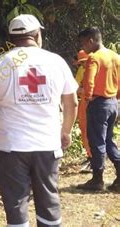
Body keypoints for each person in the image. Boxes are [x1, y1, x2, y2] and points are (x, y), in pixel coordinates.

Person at [0, 14, 78, 226]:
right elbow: (72, 103)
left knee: (16, 201)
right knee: (49, 199)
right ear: (38, 35)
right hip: (47, 144)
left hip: (11, 147)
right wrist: (65, 132)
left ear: (11, 39)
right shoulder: (56, 61)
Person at [76, 27, 120, 192]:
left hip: (98, 104)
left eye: (83, 43)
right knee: (108, 141)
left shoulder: (94, 57)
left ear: (91, 41)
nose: (82, 48)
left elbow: (89, 82)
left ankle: (97, 180)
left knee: (97, 142)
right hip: (113, 103)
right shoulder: (115, 56)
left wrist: (87, 98)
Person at [75, 50, 93, 172]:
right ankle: (90, 155)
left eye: (86, 62)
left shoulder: (97, 68)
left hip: (95, 103)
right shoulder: (82, 70)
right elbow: (75, 86)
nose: (84, 65)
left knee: (94, 131)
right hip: (84, 102)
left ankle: (95, 158)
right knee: (84, 129)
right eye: (81, 63)